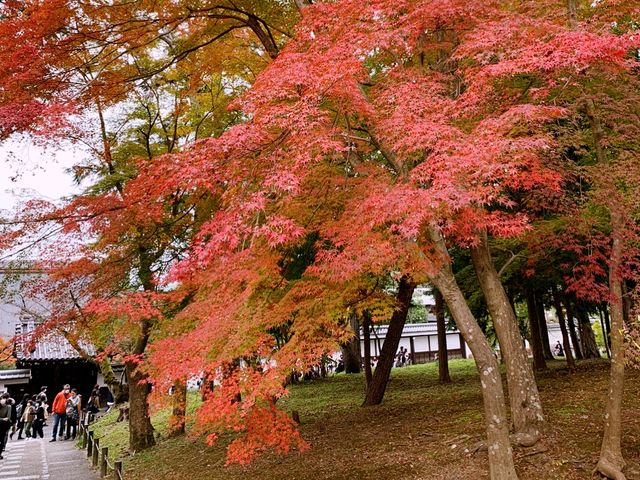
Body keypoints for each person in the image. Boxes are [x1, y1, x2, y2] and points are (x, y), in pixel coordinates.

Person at [0, 394, 12, 459]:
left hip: (4, 425)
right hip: (2, 423)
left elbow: (8, 417)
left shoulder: (8, 406)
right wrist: (2, 419)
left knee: (2, 440)